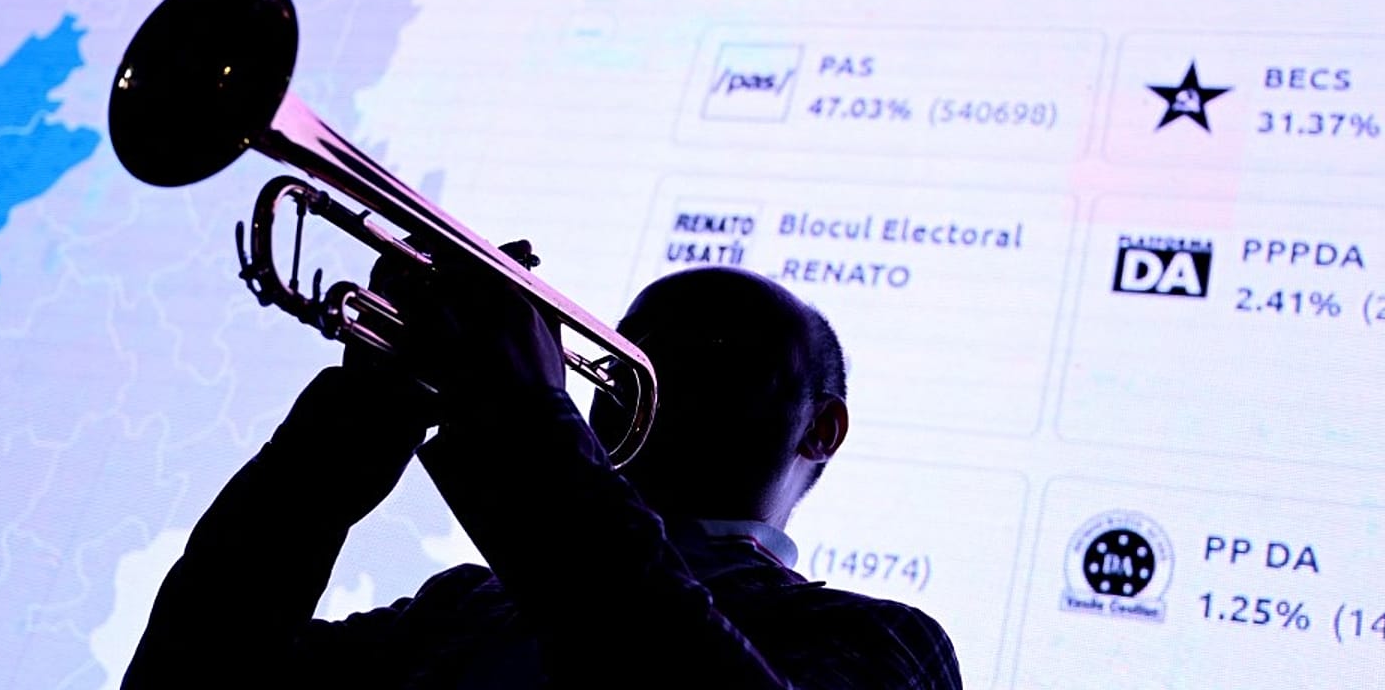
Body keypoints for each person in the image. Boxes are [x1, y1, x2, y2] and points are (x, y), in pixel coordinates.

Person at [121, 263, 961, 689]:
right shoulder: (465, 607)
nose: (650, 374)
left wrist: (528, 421)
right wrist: (359, 418)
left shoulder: (885, 642)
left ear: (822, 429)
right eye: (630, 349)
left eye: (721, 358)